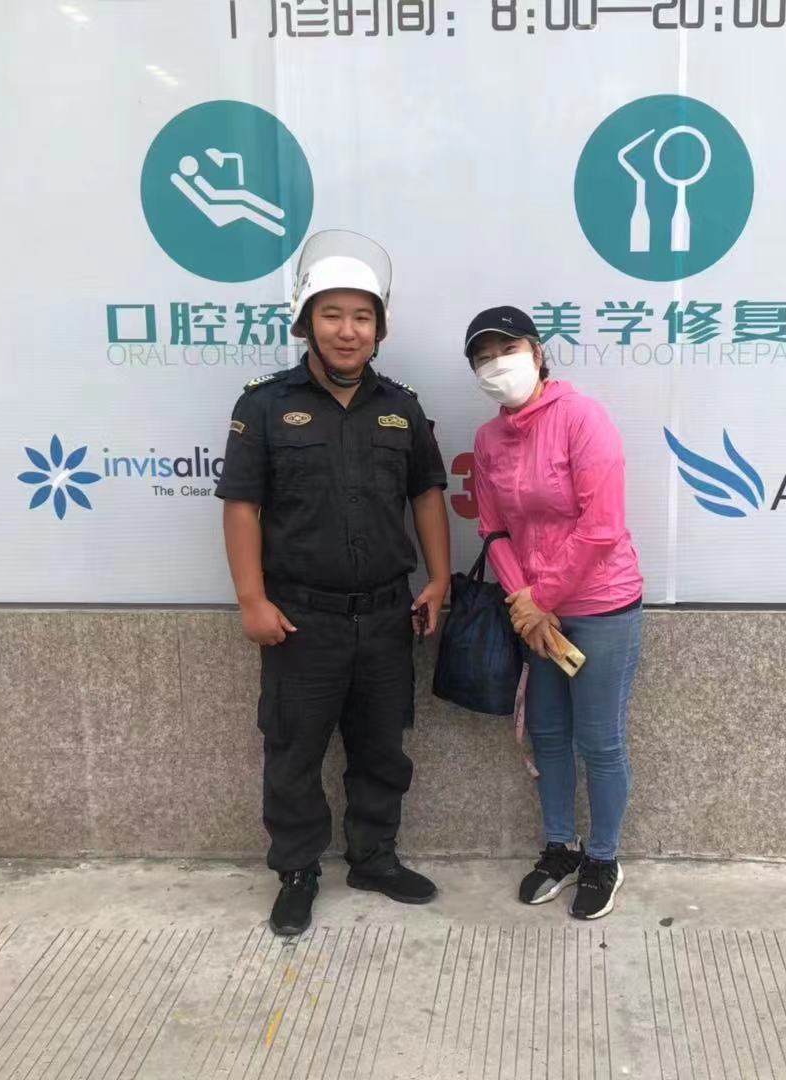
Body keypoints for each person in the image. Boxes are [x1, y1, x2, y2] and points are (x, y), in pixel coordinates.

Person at [216, 230, 451, 936]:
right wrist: (252, 600)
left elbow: (427, 495)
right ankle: (297, 870)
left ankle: (374, 856)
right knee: (293, 751)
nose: (348, 331)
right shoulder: (264, 406)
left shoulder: (401, 407)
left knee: (382, 748)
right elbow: (242, 507)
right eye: (332, 315)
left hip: (384, 617)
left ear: (380, 328)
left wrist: (439, 578)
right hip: (300, 620)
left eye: (362, 317)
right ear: (305, 322)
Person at [465, 305, 644, 920]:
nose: (497, 364)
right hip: (534, 614)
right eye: (483, 357)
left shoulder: (582, 418)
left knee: (600, 739)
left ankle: (603, 858)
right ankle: (560, 848)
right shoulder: (488, 440)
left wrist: (540, 600)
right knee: (546, 733)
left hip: (601, 605)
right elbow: (492, 529)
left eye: (507, 350)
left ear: (538, 353)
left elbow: (601, 527)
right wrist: (525, 602)